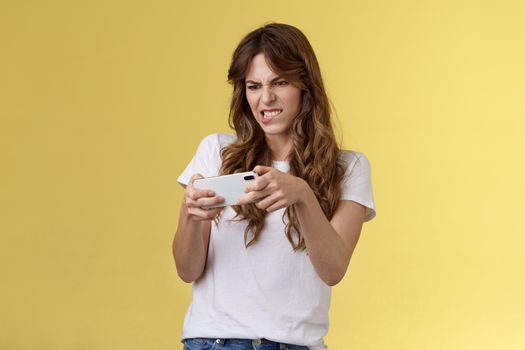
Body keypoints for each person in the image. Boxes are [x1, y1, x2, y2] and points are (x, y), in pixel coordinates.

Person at [173, 23, 376, 350]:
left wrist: (302, 195)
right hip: (215, 341)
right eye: (254, 86)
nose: (265, 98)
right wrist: (190, 213)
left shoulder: (348, 168)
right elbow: (187, 269)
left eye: (279, 82)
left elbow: (333, 269)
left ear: (304, 86)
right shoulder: (217, 152)